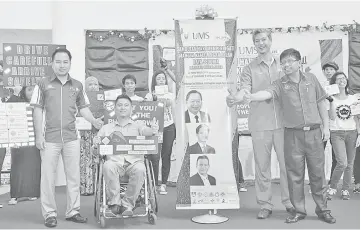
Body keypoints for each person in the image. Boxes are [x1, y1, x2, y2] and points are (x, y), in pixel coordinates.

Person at [246, 48, 336, 224]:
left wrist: (326, 127)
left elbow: (320, 103)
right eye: (283, 62)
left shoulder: (311, 79)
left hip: (314, 133)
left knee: (318, 174)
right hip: (292, 135)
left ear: (298, 63)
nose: (286, 65)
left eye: (289, 61)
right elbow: (267, 93)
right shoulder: (280, 84)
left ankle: (323, 209)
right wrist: (250, 96)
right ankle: (299, 211)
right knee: (294, 175)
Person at [30, 48, 104, 228]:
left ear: (70, 63)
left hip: (72, 137)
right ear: (52, 63)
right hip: (49, 138)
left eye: (65, 62)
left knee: (73, 176)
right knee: (48, 177)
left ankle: (73, 211)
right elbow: (37, 110)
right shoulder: (42, 83)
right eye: (58, 62)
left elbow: (83, 108)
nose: (62, 65)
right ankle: (49, 213)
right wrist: (38, 135)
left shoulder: (77, 85)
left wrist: (93, 120)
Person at [226, 29, 293, 219]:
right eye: (257, 41)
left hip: (284, 124)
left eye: (264, 39)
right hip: (260, 124)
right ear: (254, 44)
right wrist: (235, 99)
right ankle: (265, 204)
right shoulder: (249, 68)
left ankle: (289, 202)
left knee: (287, 166)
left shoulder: (284, 65)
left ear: (270, 41)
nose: (261, 43)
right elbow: (244, 91)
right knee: (262, 167)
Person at [93, 94, 158, 216]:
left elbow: (146, 131)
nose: (123, 108)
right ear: (115, 108)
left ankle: (127, 205)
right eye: (120, 105)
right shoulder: (106, 128)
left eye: (126, 105)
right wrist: (96, 146)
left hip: (134, 163)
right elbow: (96, 151)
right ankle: (114, 204)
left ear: (131, 108)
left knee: (141, 168)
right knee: (107, 166)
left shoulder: (138, 125)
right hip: (114, 163)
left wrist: (153, 130)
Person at [327, 72, 359, 200]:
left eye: (343, 78)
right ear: (334, 82)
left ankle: (345, 189)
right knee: (342, 162)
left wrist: (360, 134)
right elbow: (332, 117)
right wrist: (330, 101)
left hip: (352, 132)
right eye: (338, 79)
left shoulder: (353, 98)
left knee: (350, 164)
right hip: (336, 133)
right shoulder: (331, 99)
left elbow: (358, 117)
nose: (342, 81)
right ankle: (333, 187)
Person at [7, 86, 40, 205]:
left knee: (34, 166)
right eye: (29, 89)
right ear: (23, 92)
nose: (32, 92)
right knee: (17, 167)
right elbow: (8, 108)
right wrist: (15, 94)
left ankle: (33, 192)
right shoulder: (18, 102)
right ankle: (15, 195)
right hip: (19, 140)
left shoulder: (39, 103)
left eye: (34, 89)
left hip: (35, 139)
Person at [147, 68, 176, 195]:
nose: (160, 80)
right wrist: (154, 99)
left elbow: (170, 103)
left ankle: (163, 184)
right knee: (154, 156)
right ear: (154, 81)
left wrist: (163, 100)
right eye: (158, 78)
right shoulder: (150, 95)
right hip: (155, 128)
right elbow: (146, 107)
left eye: (163, 79)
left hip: (169, 126)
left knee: (166, 155)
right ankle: (153, 183)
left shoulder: (170, 94)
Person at [79, 76, 101, 196]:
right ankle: (86, 188)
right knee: (86, 160)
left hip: (100, 132)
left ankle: (100, 186)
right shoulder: (80, 98)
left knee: (99, 159)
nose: (93, 86)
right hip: (85, 133)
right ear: (85, 87)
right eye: (90, 84)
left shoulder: (105, 99)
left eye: (95, 84)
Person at [322, 62, 339, 184]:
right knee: (318, 154)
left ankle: (332, 183)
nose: (328, 72)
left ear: (336, 71)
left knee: (337, 156)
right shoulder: (320, 85)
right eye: (326, 69)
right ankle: (319, 181)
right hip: (323, 122)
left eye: (331, 69)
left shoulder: (342, 86)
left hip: (337, 123)